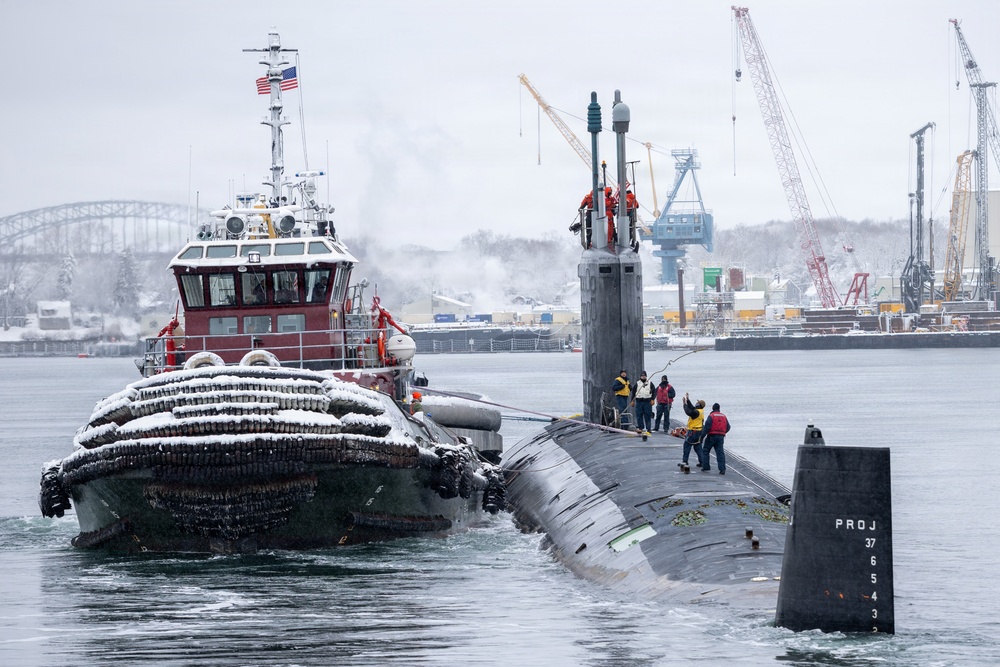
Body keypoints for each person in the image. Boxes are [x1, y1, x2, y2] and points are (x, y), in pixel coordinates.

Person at [701, 403, 731, 474]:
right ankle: (722, 469)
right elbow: (728, 427)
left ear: (712, 408)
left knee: (705, 450)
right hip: (721, 437)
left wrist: (702, 436)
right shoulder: (723, 416)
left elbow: (707, 427)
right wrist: (723, 432)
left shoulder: (711, 416)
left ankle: (706, 467)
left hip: (711, 436)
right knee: (720, 453)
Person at [680, 393, 706, 469]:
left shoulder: (696, 412)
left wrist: (684, 404)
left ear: (699, 405)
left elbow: (688, 411)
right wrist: (688, 400)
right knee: (697, 447)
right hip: (699, 431)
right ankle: (702, 462)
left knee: (687, 445)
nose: (696, 403)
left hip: (693, 431)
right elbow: (692, 408)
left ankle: (685, 461)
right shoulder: (700, 411)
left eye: (697, 403)